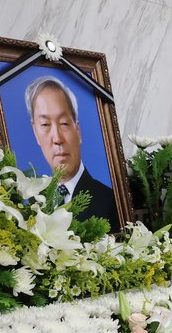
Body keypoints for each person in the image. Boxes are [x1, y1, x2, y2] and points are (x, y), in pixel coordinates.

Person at [25, 76, 121, 230]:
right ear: (35, 132)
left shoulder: (111, 202)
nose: (57, 138)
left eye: (64, 123)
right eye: (45, 124)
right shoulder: (31, 204)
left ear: (78, 130)